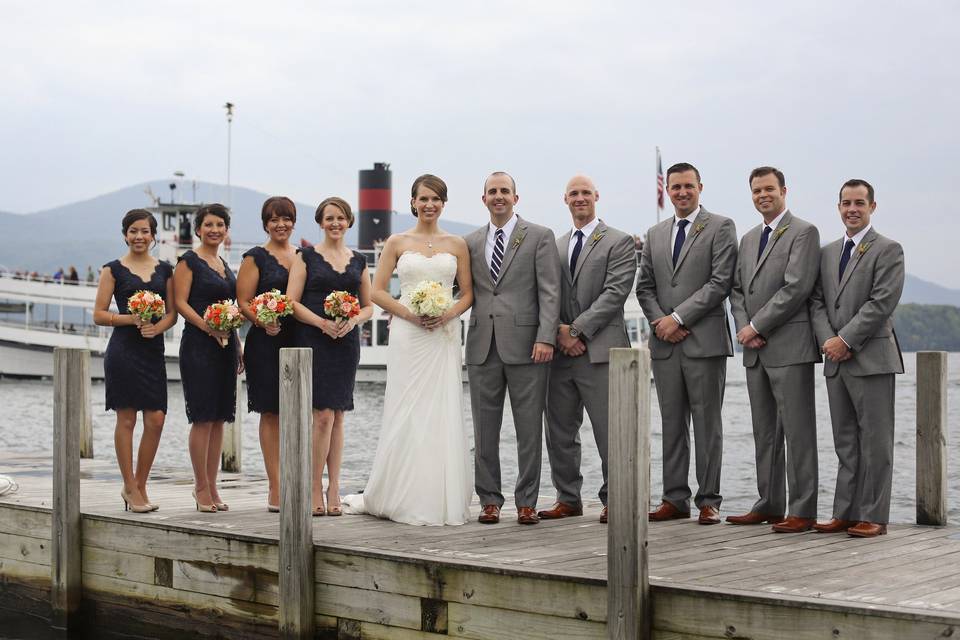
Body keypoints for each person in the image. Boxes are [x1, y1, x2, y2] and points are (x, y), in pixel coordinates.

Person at [343, 175, 474, 525]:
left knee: (440, 409)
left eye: (436, 199)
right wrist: (411, 314)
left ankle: (437, 495)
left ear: (444, 203)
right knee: (406, 408)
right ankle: (398, 491)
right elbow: (378, 292)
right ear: (413, 202)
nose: (430, 204)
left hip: (443, 334)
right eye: (423, 198)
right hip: (408, 332)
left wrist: (446, 313)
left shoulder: (457, 243)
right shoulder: (397, 242)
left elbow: (468, 294)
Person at [635, 163, 737, 525]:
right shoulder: (655, 232)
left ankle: (709, 499)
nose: (680, 192)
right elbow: (644, 286)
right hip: (664, 345)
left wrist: (677, 318)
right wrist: (660, 323)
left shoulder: (721, 227)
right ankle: (673, 499)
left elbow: (720, 282)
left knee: (707, 424)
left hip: (703, 341)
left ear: (700, 187)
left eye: (687, 186)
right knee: (672, 422)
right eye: (675, 187)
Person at [728, 167, 821, 533]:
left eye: (769, 189)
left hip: (790, 348)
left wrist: (757, 326)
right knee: (764, 431)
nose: (762, 195)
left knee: (798, 432)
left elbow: (796, 288)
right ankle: (768, 503)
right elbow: (736, 290)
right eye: (756, 190)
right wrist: (743, 328)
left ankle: (802, 509)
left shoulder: (804, 232)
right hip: (754, 350)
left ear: (784, 190)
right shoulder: (749, 238)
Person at [809, 179, 904, 538]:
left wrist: (846, 339)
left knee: (876, 441)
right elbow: (816, 301)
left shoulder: (889, 249)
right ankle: (844, 512)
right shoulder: (827, 252)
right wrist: (828, 341)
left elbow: (881, 303)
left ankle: (874, 516)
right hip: (835, 359)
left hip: (872, 359)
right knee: (846, 441)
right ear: (838, 207)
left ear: (872, 207)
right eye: (846, 203)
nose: (852, 209)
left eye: (859, 203)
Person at [465, 172, 562, 525]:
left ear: (516, 198)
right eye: (492, 192)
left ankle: (526, 502)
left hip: (527, 347)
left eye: (505, 191)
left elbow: (550, 291)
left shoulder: (538, 236)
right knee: (484, 430)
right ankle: (489, 500)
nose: (498, 197)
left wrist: (546, 336)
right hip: (481, 347)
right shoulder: (471, 242)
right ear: (484, 199)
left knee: (528, 429)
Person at [539, 175, 635, 525]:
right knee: (560, 430)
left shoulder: (619, 241)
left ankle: (616, 497)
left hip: (600, 351)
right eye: (574, 194)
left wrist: (577, 330)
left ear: (597, 196)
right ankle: (568, 497)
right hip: (561, 354)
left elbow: (615, 293)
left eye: (585, 193)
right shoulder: (556, 244)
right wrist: (560, 332)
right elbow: (547, 293)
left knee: (610, 430)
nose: (580, 199)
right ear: (565, 199)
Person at [288, 197, 373, 516]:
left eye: (340, 218)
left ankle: (334, 485)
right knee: (321, 416)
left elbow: (368, 305)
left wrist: (352, 320)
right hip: (314, 338)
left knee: (338, 416)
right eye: (329, 218)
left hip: (346, 343)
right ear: (321, 223)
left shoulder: (359, 260)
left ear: (349, 221)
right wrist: (322, 322)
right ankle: (312, 485)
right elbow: (291, 302)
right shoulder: (306, 257)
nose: (335, 223)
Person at [93, 209, 178, 513]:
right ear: (125, 235)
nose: (139, 236)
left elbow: (172, 313)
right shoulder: (112, 270)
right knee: (126, 419)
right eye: (133, 231)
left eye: (144, 231)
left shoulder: (166, 270)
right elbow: (99, 314)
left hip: (152, 350)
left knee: (156, 419)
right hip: (123, 352)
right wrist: (132, 318)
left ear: (154, 236)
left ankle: (140, 484)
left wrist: (159, 326)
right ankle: (130, 485)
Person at [173, 203, 243, 513]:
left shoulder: (224, 264)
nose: (214, 229)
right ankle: (199, 486)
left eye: (220, 225)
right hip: (199, 346)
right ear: (198, 229)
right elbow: (180, 303)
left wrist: (237, 344)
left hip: (226, 348)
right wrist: (208, 327)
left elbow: (232, 305)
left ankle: (214, 485)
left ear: (226, 231)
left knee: (219, 419)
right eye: (208, 224)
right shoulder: (188, 261)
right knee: (202, 417)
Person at [236, 196, 299, 512]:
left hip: (298, 342)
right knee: (271, 412)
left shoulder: (302, 256)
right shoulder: (255, 258)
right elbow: (244, 301)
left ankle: (295, 480)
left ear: (293, 222)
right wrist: (263, 320)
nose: (280, 224)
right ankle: (275, 486)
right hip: (265, 341)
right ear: (265, 223)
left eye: (286, 218)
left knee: (297, 413)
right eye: (274, 219)